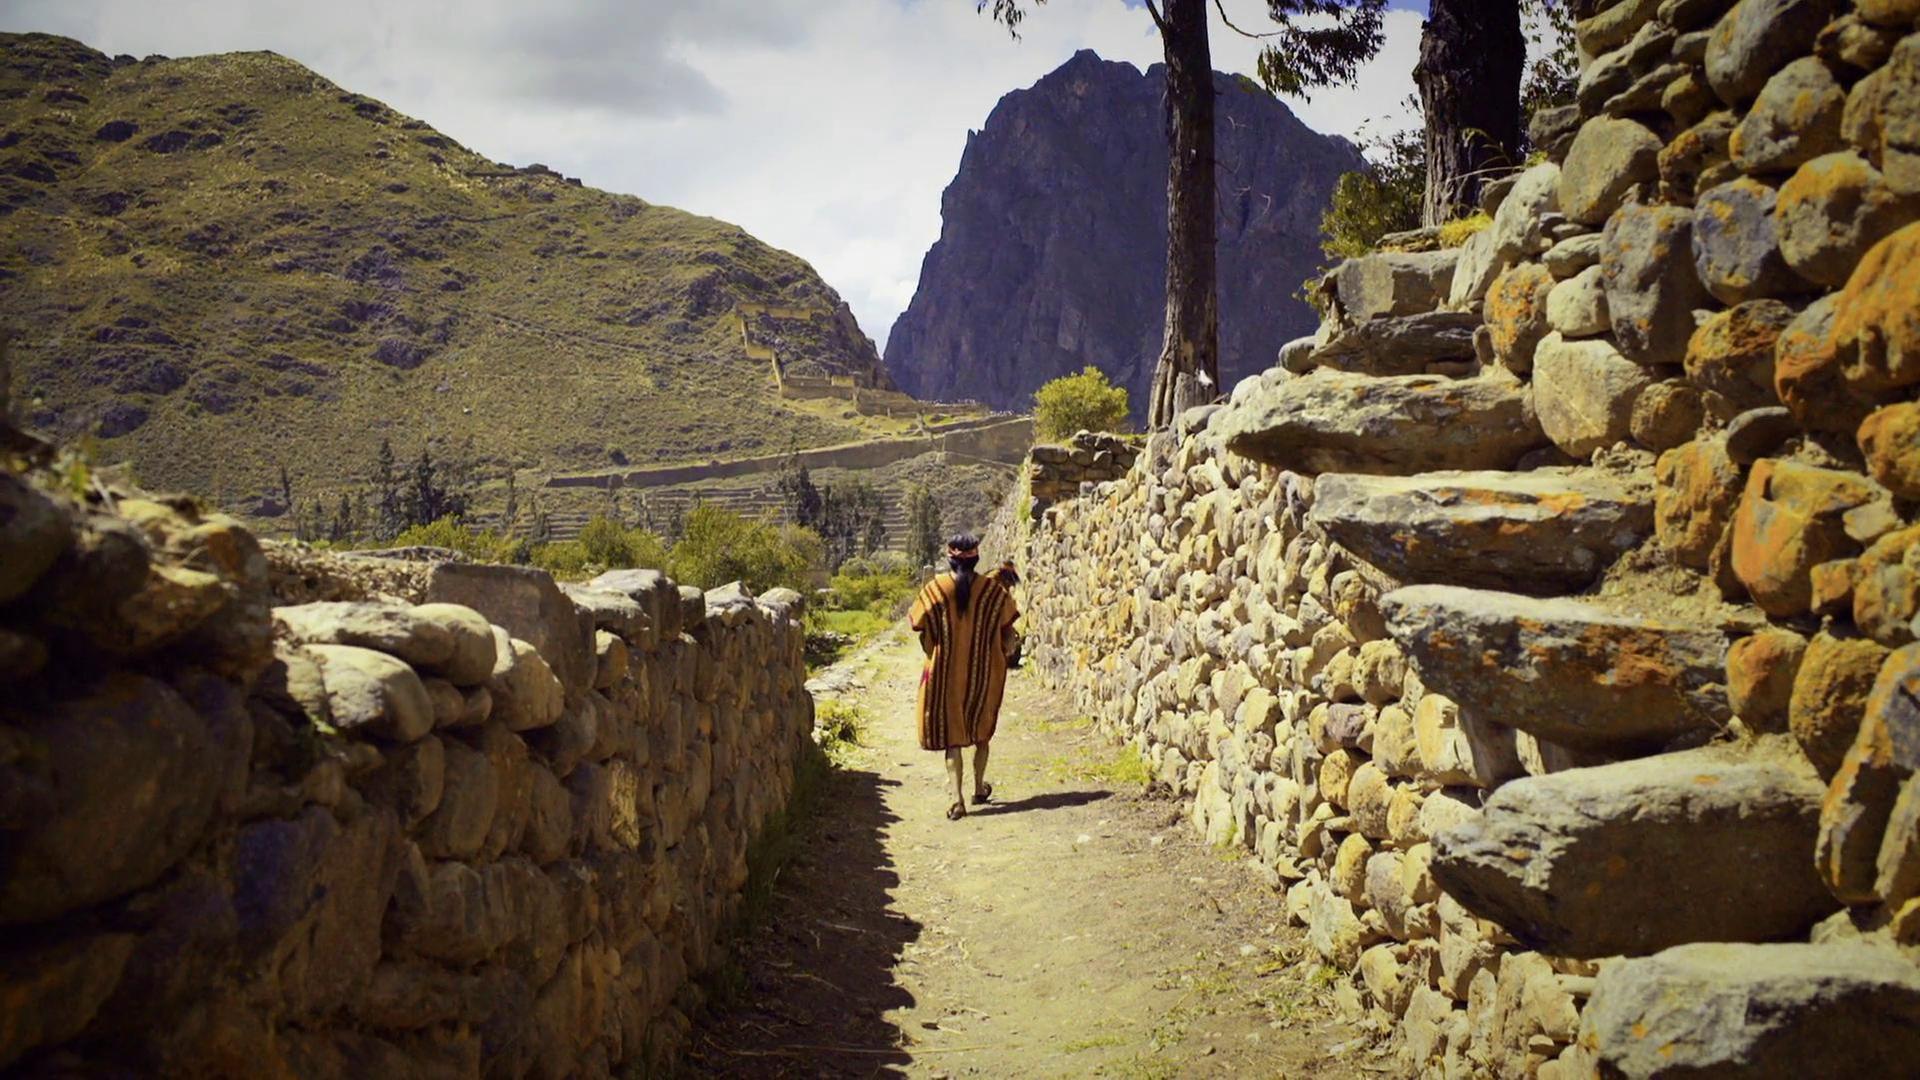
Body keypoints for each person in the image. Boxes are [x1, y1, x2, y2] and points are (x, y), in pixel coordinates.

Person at [908, 534, 1020, 821]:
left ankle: (957, 799)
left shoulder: (935, 589)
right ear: (976, 559)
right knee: (981, 731)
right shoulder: (993, 592)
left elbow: (918, 623)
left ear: (950, 558)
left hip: (945, 674)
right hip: (984, 674)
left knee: (953, 737)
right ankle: (979, 787)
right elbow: (1008, 630)